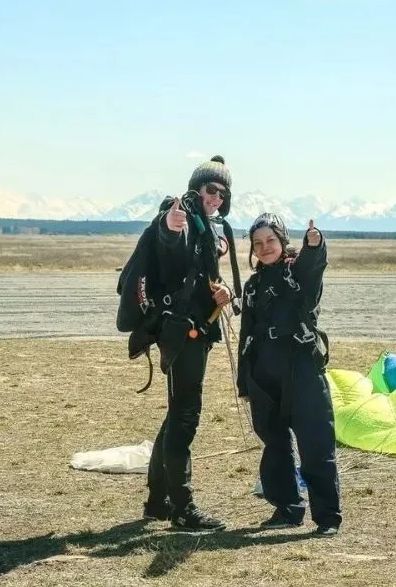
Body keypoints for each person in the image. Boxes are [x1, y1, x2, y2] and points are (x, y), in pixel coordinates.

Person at [119, 154, 241, 531]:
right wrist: (171, 228)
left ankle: (158, 500)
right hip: (181, 333)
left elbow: (200, 275)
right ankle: (182, 507)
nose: (216, 197)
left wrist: (220, 292)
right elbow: (171, 241)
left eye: (223, 192)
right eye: (211, 189)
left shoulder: (212, 225)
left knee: (177, 414)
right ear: (196, 188)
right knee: (186, 415)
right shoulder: (181, 215)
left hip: (198, 330)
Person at [237, 213, 342, 537]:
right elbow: (246, 333)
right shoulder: (253, 286)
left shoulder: (299, 273)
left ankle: (327, 518)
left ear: (283, 242)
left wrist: (315, 244)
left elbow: (314, 263)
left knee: (315, 444)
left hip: (302, 371)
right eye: (258, 243)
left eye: (270, 240)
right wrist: (245, 381)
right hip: (264, 375)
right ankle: (287, 508)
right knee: (275, 445)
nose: (265, 247)